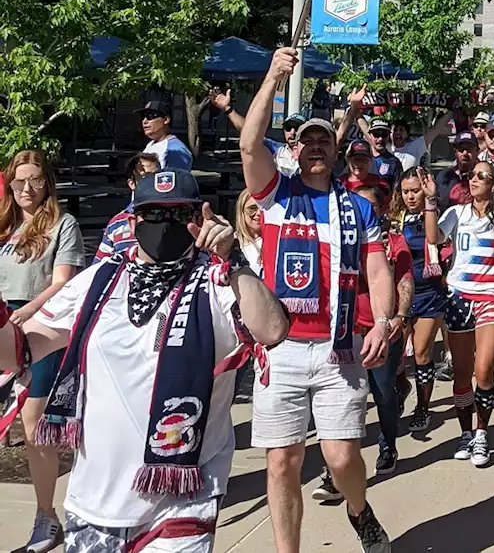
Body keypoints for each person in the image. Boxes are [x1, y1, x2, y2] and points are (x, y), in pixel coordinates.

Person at [0, 168, 290, 553]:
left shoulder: (218, 283)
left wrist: (233, 259)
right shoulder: (99, 280)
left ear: (198, 218)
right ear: (133, 219)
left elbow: (271, 330)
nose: (164, 225)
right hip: (95, 504)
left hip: (182, 499)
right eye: (153, 214)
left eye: (177, 215)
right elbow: (19, 351)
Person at [238, 48, 397, 553]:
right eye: (306, 140)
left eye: (323, 141)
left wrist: (384, 320)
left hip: (338, 348)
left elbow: (377, 267)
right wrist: (272, 78)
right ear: (295, 147)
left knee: (341, 458)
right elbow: (247, 145)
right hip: (280, 348)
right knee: (281, 461)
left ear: (334, 148)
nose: (314, 149)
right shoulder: (275, 193)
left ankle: (358, 508)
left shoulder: (356, 208)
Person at [425, 155, 494, 467]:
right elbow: (434, 238)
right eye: (472, 175)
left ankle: (482, 432)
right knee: (461, 373)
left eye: (482, 176)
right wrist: (431, 201)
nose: (473, 180)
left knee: (484, 369)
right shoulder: (456, 213)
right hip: (459, 298)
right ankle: (465, 433)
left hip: (491, 298)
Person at [0, 151, 84, 552]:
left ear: (47, 182)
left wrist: (27, 313)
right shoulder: (5, 225)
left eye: (34, 180)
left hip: (42, 326)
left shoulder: (62, 224)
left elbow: (63, 281)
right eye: (19, 182)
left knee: (34, 425)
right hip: (2, 324)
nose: (26, 189)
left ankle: (46, 516)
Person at [352, 184, 414, 477]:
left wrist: (400, 316)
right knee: (347, 397)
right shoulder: (343, 239)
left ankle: (388, 444)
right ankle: (337, 464)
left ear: (382, 209)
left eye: (370, 206)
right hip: (348, 331)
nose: (363, 211)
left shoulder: (394, 241)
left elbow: (404, 280)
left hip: (383, 329)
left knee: (383, 394)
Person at [392, 168, 451, 436]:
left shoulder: (433, 214)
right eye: (406, 192)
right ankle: (402, 386)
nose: (410, 196)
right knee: (394, 356)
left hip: (429, 293)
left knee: (421, 353)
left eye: (415, 190)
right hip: (402, 295)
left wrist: (430, 200)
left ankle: (423, 407)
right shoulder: (394, 218)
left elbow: (435, 239)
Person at [96, 152, 162, 260]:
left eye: (157, 176)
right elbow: (99, 266)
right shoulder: (116, 223)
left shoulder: (174, 217)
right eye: (146, 177)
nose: (153, 182)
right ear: (132, 183)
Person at [138, 98, 193, 171]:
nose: (145, 121)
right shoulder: (151, 144)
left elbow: (176, 180)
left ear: (166, 120)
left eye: (150, 116)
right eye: (143, 117)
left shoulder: (175, 150)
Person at [366, 119, 404, 193]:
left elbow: (397, 191)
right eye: (376, 134)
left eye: (384, 135)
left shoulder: (394, 162)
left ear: (388, 137)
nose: (380, 139)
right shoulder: (359, 158)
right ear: (369, 136)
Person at [234, 189, 265, 277]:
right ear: (242, 211)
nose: (259, 213)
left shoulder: (276, 242)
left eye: (263, 208)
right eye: (252, 208)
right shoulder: (230, 242)